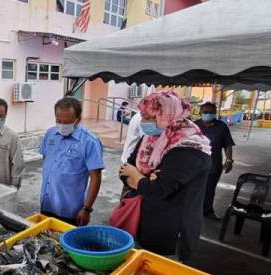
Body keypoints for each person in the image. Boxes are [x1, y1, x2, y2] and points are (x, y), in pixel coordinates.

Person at [119, 92, 211, 261]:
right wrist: (143, 180)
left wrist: (136, 176)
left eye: (148, 117)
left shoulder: (190, 148)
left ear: (167, 114)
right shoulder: (151, 137)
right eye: (142, 116)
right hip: (142, 221)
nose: (143, 122)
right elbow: (124, 170)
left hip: (171, 231)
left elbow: (158, 190)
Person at [39, 97, 104, 225]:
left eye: (67, 122)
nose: (62, 125)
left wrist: (87, 209)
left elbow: (95, 178)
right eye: (58, 120)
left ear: (77, 120)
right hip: (47, 204)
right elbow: (46, 160)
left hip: (71, 210)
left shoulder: (90, 141)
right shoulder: (50, 134)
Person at [196, 102, 235, 219]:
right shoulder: (194, 126)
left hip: (213, 164)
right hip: (195, 165)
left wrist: (229, 161)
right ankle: (191, 210)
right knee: (193, 189)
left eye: (211, 112)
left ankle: (207, 211)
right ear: (200, 112)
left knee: (209, 189)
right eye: (205, 112)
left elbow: (228, 144)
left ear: (215, 113)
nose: (208, 114)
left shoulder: (221, 126)